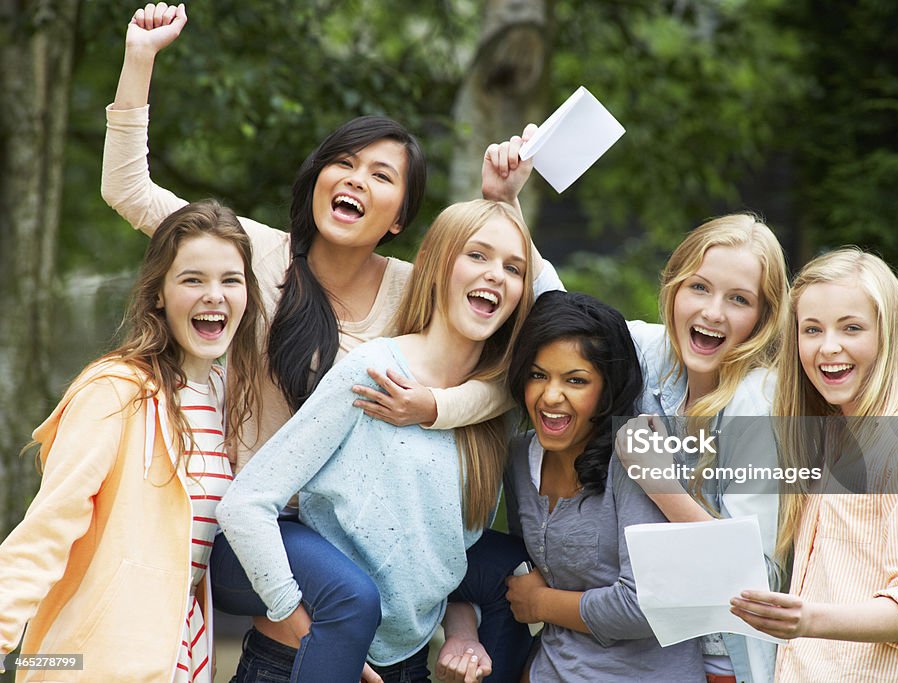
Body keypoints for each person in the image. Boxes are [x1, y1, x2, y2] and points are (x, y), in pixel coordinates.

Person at [103, 5, 556, 680]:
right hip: (256, 530)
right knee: (350, 598)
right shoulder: (253, 257)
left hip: (348, 536)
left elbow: (543, 333)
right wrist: (140, 58)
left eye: (380, 175)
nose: (354, 179)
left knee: (500, 564)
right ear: (315, 178)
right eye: (341, 163)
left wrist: (503, 205)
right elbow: (128, 190)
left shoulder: (418, 291)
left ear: (401, 216)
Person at [217, 199, 536, 682]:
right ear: (435, 264)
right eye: (477, 255)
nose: (495, 274)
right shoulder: (373, 373)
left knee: (514, 564)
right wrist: (301, 624)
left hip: (405, 667)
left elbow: (443, 552)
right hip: (299, 660)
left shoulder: (493, 412)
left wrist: (463, 631)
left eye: (513, 268)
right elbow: (245, 504)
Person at [0, 201, 264, 682]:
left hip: (182, 660)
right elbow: (45, 530)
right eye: (192, 279)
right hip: (93, 664)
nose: (214, 295)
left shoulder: (227, 398)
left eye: (230, 280)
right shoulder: (115, 391)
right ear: (158, 294)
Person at [729, 248, 898, 682]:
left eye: (852, 328)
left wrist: (806, 620)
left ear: (888, 334)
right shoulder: (835, 435)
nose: (828, 347)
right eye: (812, 330)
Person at [492, 290, 704, 681]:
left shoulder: (635, 457)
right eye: (538, 375)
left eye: (575, 380)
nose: (550, 396)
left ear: (607, 390)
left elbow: (646, 605)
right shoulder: (520, 458)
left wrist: (541, 603)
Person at [615, 214, 789, 683]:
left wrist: (660, 485)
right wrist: (508, 200)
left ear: (763, 318)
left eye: (738, 299)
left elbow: (757, 577)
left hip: (722, 664)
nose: (713, 312)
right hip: (652, 658)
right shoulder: (658, 357)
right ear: (673, 290)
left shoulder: (759, 402)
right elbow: (563, 318)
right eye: (699, 287)